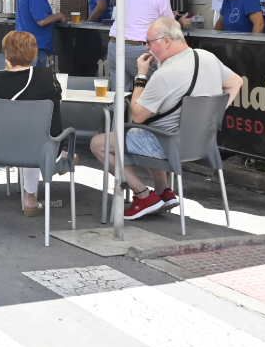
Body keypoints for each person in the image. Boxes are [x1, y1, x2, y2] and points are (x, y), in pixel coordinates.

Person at [90, 16, 242, 222]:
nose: (147, 48)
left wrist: (141, 76)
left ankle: (144, 196)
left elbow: (138, 115)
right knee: (154, 127)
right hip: (203, 142)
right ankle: (164, 192)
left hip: (169, 146)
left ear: (166, 41)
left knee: (99, 143)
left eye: (149, 42)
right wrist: (216, 114)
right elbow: (236, 82)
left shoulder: (165, 74)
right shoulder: (207, 57)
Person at [0, 31, 66, 216]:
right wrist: (63, 146)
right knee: (36, 135)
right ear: (33, 53)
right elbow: (55, 117)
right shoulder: (45, 77)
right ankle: (30, 196)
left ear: (7, 52)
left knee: (26, 133)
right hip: (35, 147)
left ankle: (28, 195)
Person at [120, 0, 181, 83]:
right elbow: (170, 24)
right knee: (154, 90)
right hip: (139, 50)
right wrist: (182, 21)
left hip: (115, 47)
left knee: (121, 96)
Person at [15, 0, 67, 68]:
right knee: (36, 80)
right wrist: (59, 16)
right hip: (35, 47)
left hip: (24, 45)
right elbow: (42, 21)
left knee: (27, 80)